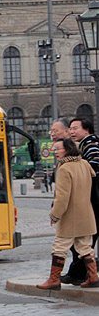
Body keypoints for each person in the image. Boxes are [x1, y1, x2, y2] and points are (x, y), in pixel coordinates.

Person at [36, 138, 99, 289]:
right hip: (86, 213)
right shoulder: (84, 164)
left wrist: (55, 215)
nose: (55, 152)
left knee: (59, 247)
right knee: (84, 246)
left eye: (58, 149)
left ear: (67, 149)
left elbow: (62, 198)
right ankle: (93, 276)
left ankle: (54, 279)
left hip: (70, 216)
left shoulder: (64, 168)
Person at [60, 117, 99, 284]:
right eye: (70, 129)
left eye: (75, 128)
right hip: (90, 200)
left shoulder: (91, 145)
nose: (72, 131)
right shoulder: (84, 145)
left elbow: (94, 169)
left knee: (81, 239)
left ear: (87, 130)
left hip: (93, 200)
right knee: (83, 240)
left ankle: (80, 274)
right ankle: (82, 274)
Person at [46, 118, 70, 191]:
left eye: (56, 131)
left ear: (67, 131)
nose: (52, 134)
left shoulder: (76, 151)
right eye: (51, 131)